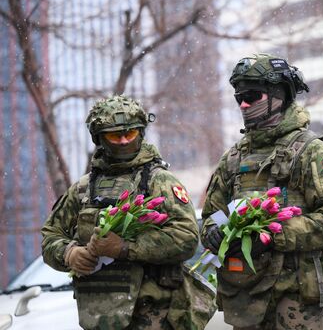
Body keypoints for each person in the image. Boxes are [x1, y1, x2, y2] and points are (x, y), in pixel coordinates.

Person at [200, 53, 323, 329]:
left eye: (252, 96)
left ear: (279, 95)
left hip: (295, 296)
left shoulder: (311, 151)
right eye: (239, 98)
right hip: (245, 295)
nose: (244, 105)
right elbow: (212, 215)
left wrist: (274, 236)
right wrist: (214, 233)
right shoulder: (233, 159)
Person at [41, 95, 212, 330]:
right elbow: (50, 235)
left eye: (129, 134)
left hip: (156, 314)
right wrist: (69, 254)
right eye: (114, 135)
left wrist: (125, 248)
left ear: (141, 133)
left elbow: (187, 238)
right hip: (100, 314)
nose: (122, 141)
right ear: (99, 139)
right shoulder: (83, 189)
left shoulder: (159, 182)